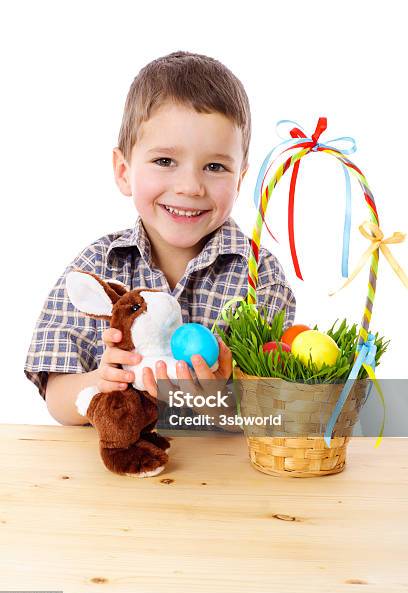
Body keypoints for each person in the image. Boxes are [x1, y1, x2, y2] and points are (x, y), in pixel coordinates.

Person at [24, 50, 296, 428]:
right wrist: (99, 382)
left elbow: (278, 407)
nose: (189, 187)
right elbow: (56, 396)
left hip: (222, 478)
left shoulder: (258, 275)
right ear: (123, 170)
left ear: (240, 179)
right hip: (120, 471)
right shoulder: (98, 266)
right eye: (165, 161)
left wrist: (222, 404)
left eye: (215, 166)